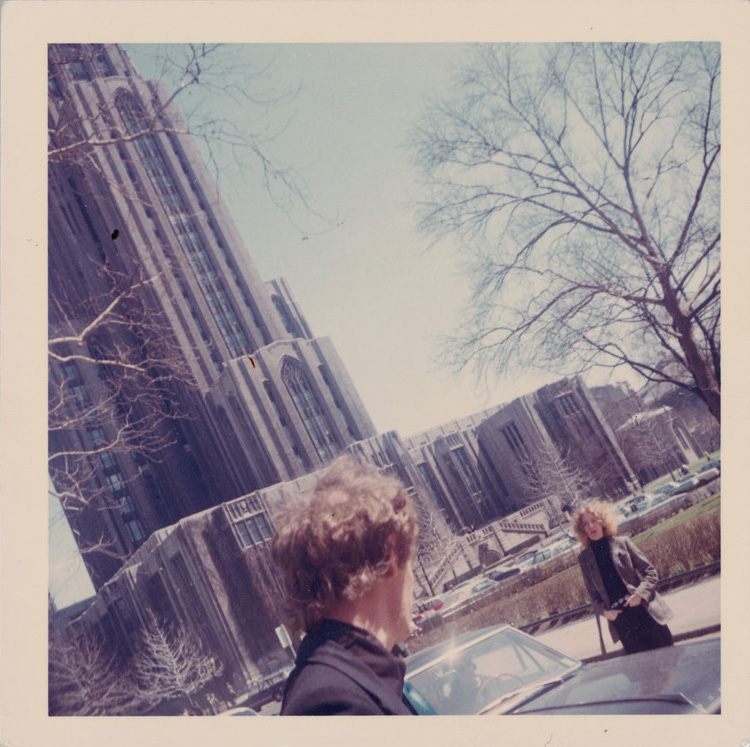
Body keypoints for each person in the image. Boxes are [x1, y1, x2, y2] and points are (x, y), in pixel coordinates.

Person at [271, 457, 420, 715]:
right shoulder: (336, 704)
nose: (413, 580)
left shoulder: (349, 679)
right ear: (389, 556)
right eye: (411, 561)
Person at [572, 499, 674, 655]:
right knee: (646, 675)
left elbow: (650, 572)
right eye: (585, 524)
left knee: (670, 663)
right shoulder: (584, 559)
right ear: (582, 530)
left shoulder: (623, 543)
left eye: (593, 521)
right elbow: (593, 597)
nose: (591, 526)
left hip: (645, 612)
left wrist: (639, 594)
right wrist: (605, 612)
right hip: (623, 625)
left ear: (603, 522)